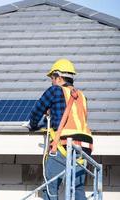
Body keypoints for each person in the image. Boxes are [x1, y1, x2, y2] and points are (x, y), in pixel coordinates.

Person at [27, 59, 93, 200]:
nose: (51, 82)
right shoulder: (82, 96)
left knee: (51, 187)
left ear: (59, 77)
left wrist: (32, 125)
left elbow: (36, 112)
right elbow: (70, 117)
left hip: (64, 144)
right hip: (85, 147)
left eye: (52, 78)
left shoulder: (55, 91)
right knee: (77, 189)